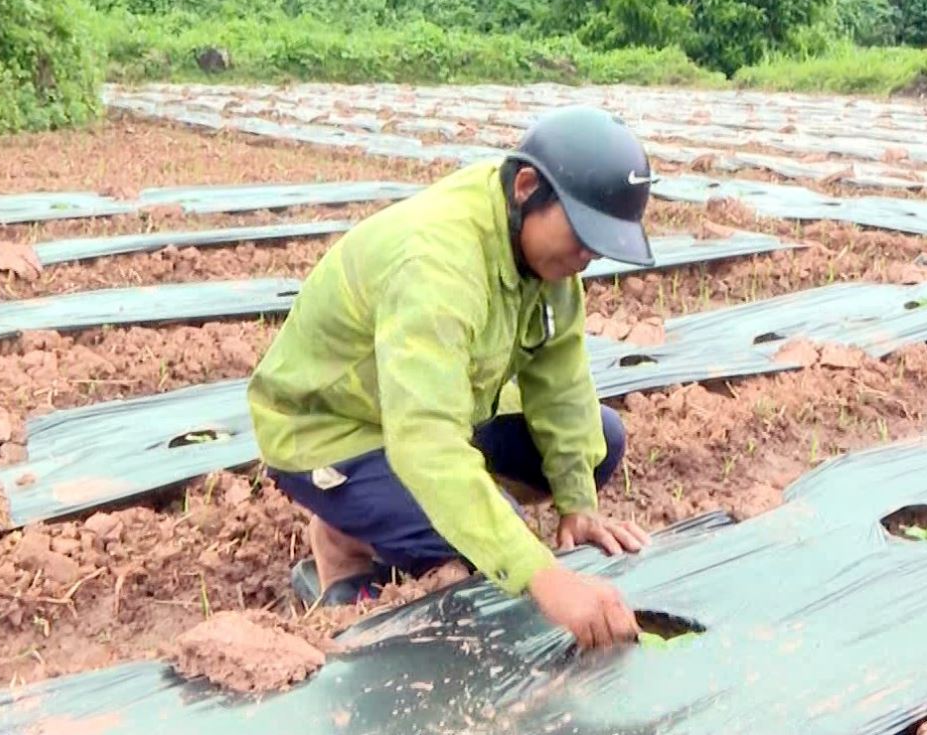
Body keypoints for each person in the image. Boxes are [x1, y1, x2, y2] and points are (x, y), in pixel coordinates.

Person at [247, 105, 657, 650]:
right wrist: (541, 573)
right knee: (485, 554)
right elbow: (426, 444)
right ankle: (344, 548)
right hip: (332, 433)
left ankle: (396, 516)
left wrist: (577, 504)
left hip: (433, 411)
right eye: (583, 234)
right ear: (527, 188)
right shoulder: (439, 264)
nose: (588, 256)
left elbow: (560, 383)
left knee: (598, 441)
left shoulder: (549, 260)